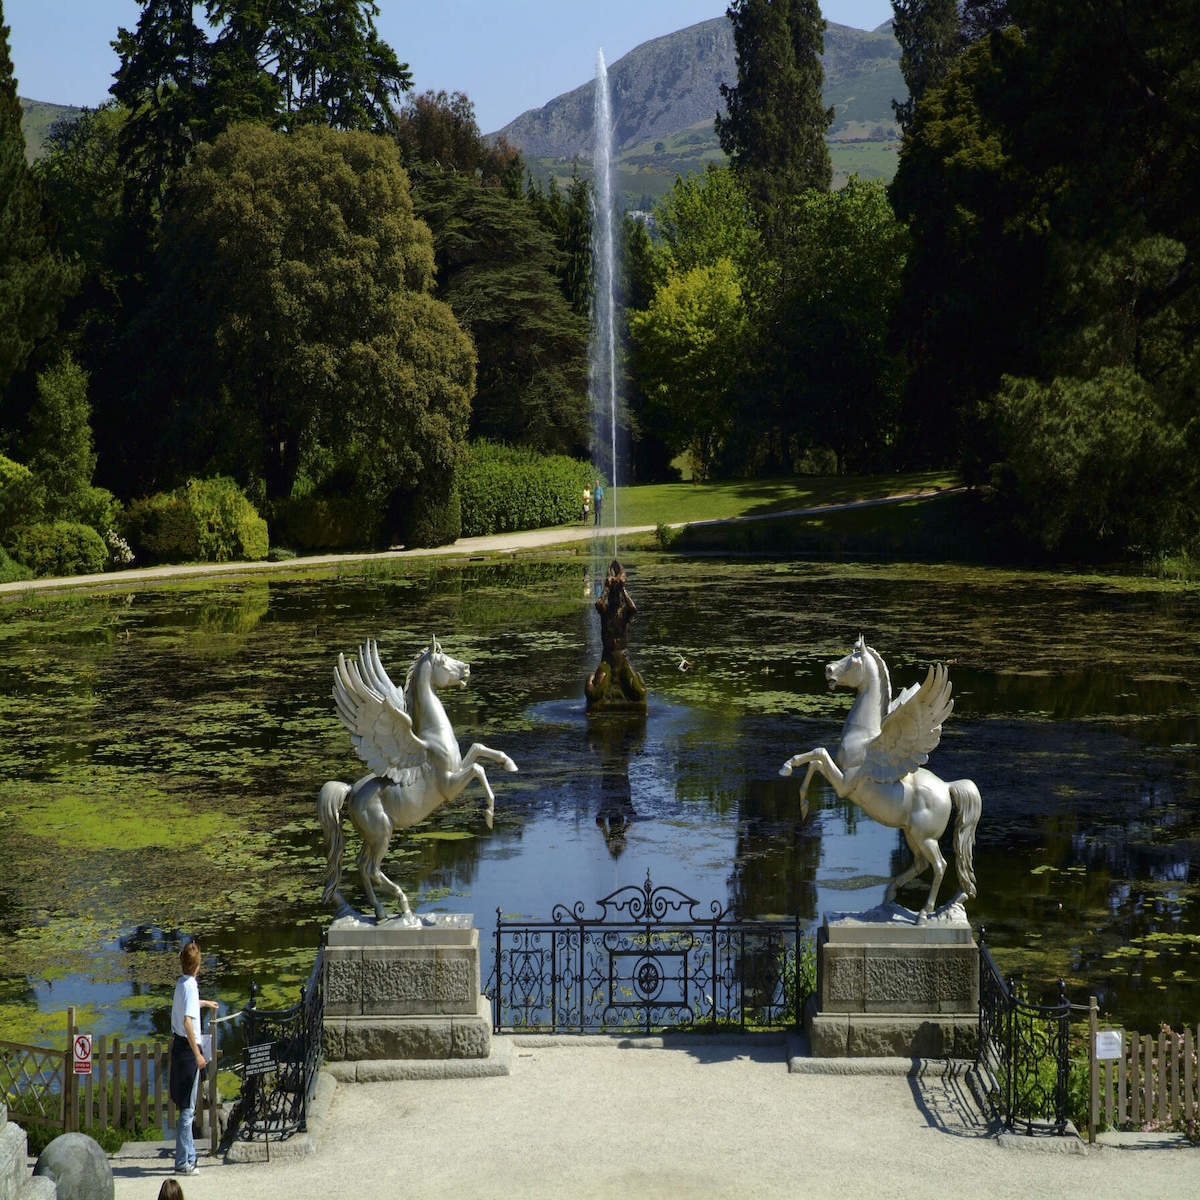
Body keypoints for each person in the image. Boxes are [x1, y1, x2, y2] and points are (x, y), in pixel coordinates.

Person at [169, 939, 217, 1176]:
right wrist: (198, 1054)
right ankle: (184, 1162)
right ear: (198, 965)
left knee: (185, 1108)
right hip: (188, 1051)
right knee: (187, 1111)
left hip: (178, 1047)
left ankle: (188, 1159)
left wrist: (205, 1003)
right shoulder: (190, 986)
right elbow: (188, 1021)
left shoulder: (182, 983)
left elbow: (186, 1007)